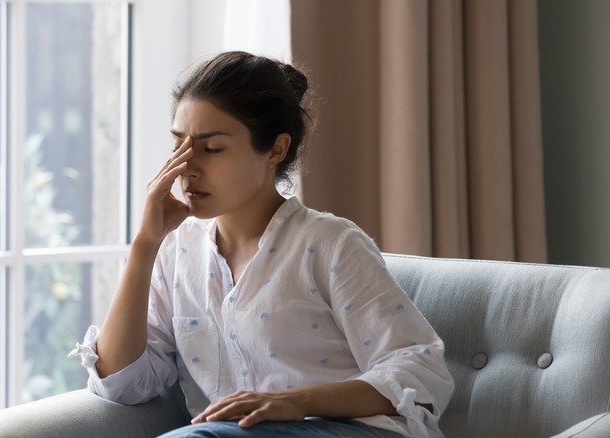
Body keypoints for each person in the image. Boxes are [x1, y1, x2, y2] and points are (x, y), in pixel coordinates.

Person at [70, 51, 454, 438]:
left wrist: (296, 402)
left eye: (212, 148)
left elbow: (419, 371)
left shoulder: (330, 244)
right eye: (178, 147)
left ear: (275, 150)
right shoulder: (177, 252)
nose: (187, 167)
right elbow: (121, 383)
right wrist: (144, 244)